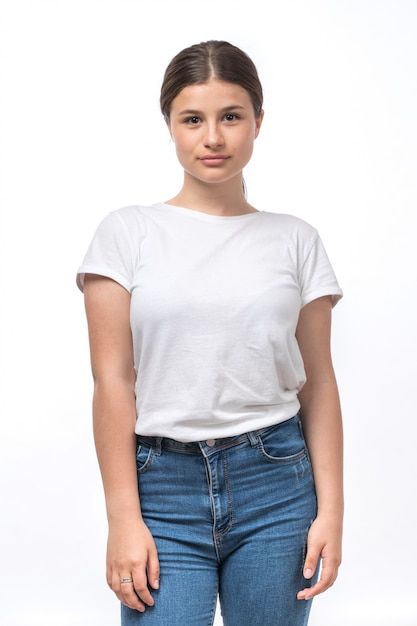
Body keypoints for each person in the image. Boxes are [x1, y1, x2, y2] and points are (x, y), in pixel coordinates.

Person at [77, 40, 344, 626]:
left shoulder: (295, 240)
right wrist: (123, 515)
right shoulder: (127, 234)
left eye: (231, 117)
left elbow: (318, 383)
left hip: (276, 482)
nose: (213, 138)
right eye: (193, 119)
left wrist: (332, 512)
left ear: (258, 122)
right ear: (169, 125)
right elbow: (112, 380)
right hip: (161, 491)